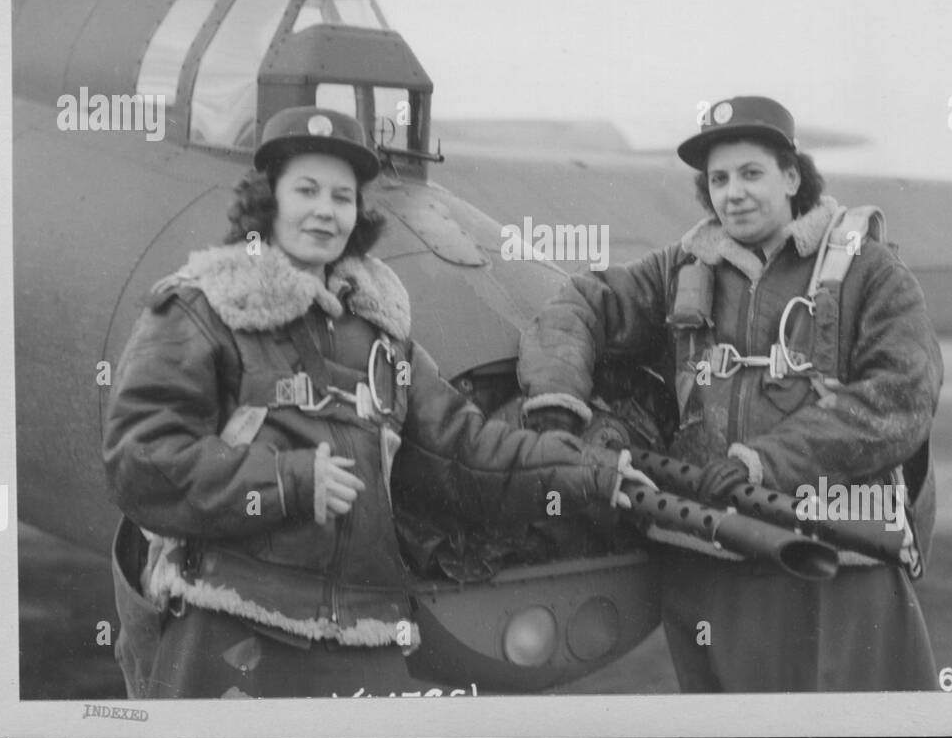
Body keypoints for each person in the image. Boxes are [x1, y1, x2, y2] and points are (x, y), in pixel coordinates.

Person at [103, 106, 646, 699]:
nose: (324, 210)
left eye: (342, 196)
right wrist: (288, 482)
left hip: (365, 636)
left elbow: (465, 452)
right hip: (234, 628)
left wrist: (588, 473)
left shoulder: (383, 340)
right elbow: (143, 462)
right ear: (268, 201)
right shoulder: (201, 311)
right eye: (305, 190)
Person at [518, 96, 942, 692]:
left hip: (834, 562)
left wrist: (763, 463)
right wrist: (558, 404)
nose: (733, 193)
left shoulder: (868, 272)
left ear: (792, 176)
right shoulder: (679, 270)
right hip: (705, 558)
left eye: (751, 173)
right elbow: (579, 305)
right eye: (718, 179)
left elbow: (902, 397)